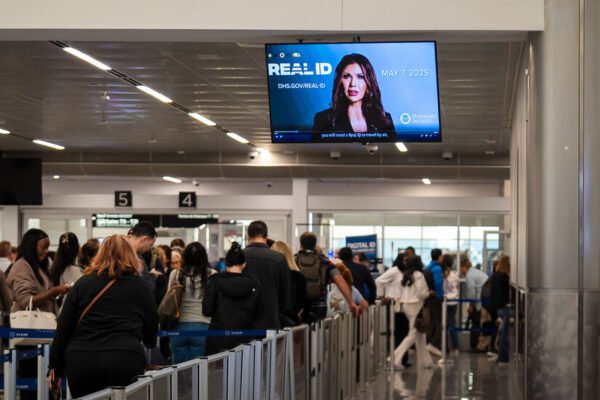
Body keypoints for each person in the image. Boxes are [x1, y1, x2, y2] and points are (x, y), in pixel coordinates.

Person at [48, 235, 158, 398]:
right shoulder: (140, 285)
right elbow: (151, 327)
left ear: (100, 254)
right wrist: (148, 340)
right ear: (131, 255)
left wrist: (55, 368)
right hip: (125, 357)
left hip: (82, 358)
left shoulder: (82, 283)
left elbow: (64, 327)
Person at [7, 229, 70, 400]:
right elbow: (25, 300)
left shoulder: (39, 267)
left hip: (42, 337)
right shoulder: (21, 266)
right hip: (30, 337)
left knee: (44, 384)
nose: (46, 251)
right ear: (31, 245)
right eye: (43, 247)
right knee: (32, 385)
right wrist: (55, 291)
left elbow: (42, 296)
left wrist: (56, 296)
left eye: (48, 247)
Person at [313, 53, 396, 139]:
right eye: (346, 76)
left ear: (369, 82)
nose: (353, 84)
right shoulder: (323, 119)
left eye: (360, 77)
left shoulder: (385, 119)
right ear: (339, 81)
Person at [203, 242, 262, 355]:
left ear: (226, 263)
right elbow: (260, 313)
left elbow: (207, 310)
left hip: (218, 337)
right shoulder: (255, 283)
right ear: (244, 264)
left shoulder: (215, 281)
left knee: (217, 367)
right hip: (245, 338)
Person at [295, 232, 360, 321]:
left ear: (301, 244)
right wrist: (351, 302)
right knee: (319, 328)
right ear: (315, 244)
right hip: (319, 304)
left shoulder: (294, 260)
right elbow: (340, 280)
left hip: (299, 305)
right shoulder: (325, 261)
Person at [168, 242, 214, 362]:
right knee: (198, 368)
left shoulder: (175, 274)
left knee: (178, 368)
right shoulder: (212, 274)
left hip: (178, 326)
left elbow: (170, 298)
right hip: (203, 326)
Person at [242, 221, 291, 330]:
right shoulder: (279, 259)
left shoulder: (238, 257)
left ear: (248, 237)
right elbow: (285, 296)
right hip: (270, 321)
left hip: (242, 321)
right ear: (267, 237)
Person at [392, 256, 434, 370]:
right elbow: (421, 293)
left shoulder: (405, 275)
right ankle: (394, 358)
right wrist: (428, 293)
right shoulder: (418, 275)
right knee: (413, 333)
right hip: (416, 305)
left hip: (406, 305)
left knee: (420, 334)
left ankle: (426, 361)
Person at [376, 255, 410, 367]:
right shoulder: (394, 271)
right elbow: (378, 281)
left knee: (404, 333)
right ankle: (397, 359)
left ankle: (403, 359)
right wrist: (382, 295)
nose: (406, 262)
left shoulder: (406, 272)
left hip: (404, 304)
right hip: (394, 305)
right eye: (404, 260)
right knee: (398, 333)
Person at [272, 241, 307, 324]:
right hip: (293, 320)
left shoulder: (272, 275)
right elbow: (303, 301)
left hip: (275, 320)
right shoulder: (299, 276)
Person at [460, 256, 489, 351]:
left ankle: (475, 346)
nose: (460, 271)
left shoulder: (469, 275)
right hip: (484, 300)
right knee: (479, 323)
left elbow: (471, 291)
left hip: (480, 302)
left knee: (476, 324)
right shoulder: (474, 272)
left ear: (464, 267)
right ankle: (480, 345)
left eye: (460, 268)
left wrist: (471, 305)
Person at [49, 232, 83, 309]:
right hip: (67, 311)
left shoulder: (54, 268)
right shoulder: (74, 271)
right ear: (77, 249)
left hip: (55, 309)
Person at [491, 256, 513, 364]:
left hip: (497, 308)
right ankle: (503, 357)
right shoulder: (504, 277)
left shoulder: (495, 276)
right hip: (504, 307)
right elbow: (506, 294)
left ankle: (501, 355)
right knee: (505, 335)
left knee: (502, 333)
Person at [127, 221, 161, 293]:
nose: (149, 249)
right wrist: (152, 276)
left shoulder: (114, 250)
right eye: (150, 245)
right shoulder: (137, 258)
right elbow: (147, 287)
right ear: (144, 239)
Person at [425, 249, 444, 355]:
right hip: (435, 298)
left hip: (428, 298)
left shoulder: (428, 267)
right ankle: (434, 344)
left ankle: (429, 343)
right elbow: (438, 283)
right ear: (439, 257)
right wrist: (440, 295)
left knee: (431, 321)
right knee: (439, 322)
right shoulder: (437, 268)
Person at [442, 254, 460, 353]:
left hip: (450, 303)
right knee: (447, 325)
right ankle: (448, 347)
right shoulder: (451, 274)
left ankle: (454, 346)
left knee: (450, 324)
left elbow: (454, 291)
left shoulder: (451, 275)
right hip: (449, 302)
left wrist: (445, 297)